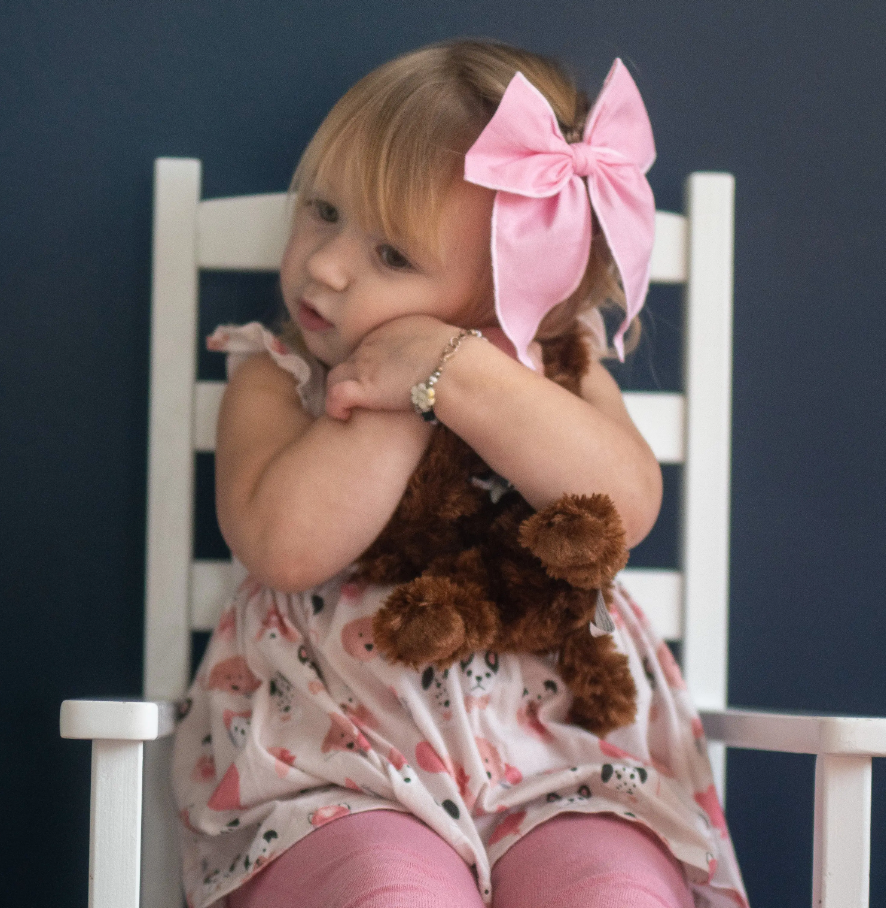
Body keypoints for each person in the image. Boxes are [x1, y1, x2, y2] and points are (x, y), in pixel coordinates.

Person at [172, 38, 749, 908]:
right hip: (335, 761)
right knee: (389, 892)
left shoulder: (561, 368)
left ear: (509, 293)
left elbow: (622, 509)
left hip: (563, 759)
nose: (325, 265)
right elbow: (286, 547)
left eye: (392, 256)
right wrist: (401, 392)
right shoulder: (275, 373)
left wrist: (463, 370)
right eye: (322, 210)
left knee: (613, 891)